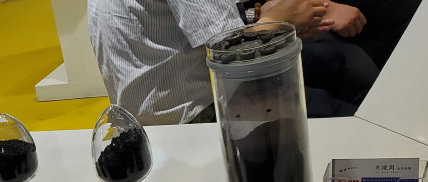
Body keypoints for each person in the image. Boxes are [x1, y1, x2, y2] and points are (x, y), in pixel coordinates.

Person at [88, 0, 334, 125]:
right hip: (195, 115)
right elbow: (228, 53)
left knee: (331, 60)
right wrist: (278, 20)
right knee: (331, 98)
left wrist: (258, 19)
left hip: (136, 117)